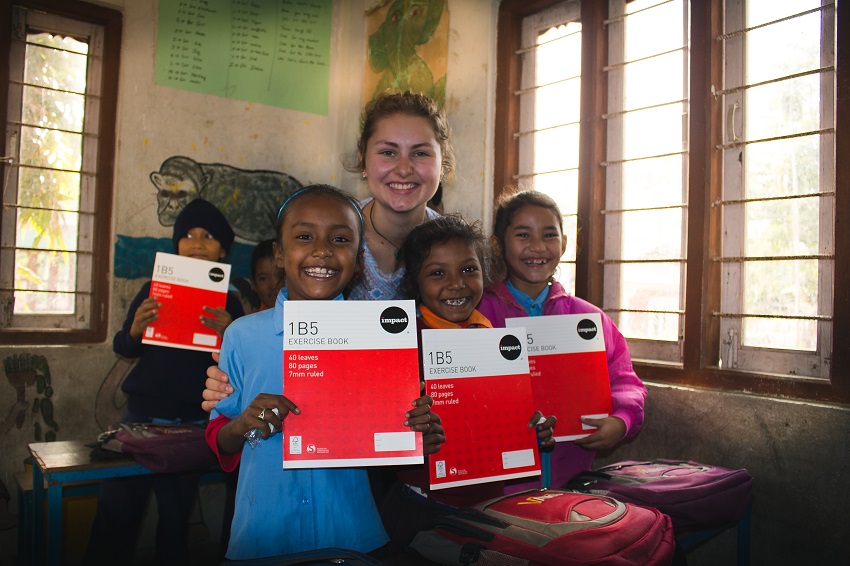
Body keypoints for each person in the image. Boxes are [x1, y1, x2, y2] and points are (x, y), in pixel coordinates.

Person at [205, 185, 444, 560]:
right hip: (262, 534)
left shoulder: (380, 339)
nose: (322, 250)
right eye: (304, 237)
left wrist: (416, 435)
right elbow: (219, 439)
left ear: (358, 258)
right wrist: (242, 424)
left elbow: (387, 447)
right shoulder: (242, 336)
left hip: (351, 533)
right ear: (280, 255)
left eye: (340, 239)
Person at [202, 90, 456, 409]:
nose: (404, 168)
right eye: (388, 152)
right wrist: (235, 376)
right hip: (334, 415)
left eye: (420, 153)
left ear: (442, 161)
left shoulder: (459, 247)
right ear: (363, 159)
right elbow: (283, 337)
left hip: (429, 422)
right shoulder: (330, 231)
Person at [376, 214, 556, 555]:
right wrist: (410, 440)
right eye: (438, 273)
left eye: (469, 269)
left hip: (487, 508)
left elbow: (499, 419)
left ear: (485, 275)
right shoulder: (402, 347)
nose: (457, 283)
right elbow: (379, 441)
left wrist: (533, 431)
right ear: (415, 283)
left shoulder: (494, 339)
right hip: (421, 510)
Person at [85, 198, 244, 565]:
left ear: (223, 249)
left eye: (208, 236)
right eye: (187, 235)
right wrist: (136, 330)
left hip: (191, 427)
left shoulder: (231, 304)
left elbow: (239, 367)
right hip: (140, 419)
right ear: (176, 245)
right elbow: (123, 346)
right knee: (116, 514)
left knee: (174, 524)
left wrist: (230, 332)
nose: (197, 243)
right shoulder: (153, 290)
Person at [477, 189, 647, 493]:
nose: (537, 246)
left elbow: (625, 382)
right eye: (523, 235)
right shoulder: (479, 315)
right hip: (498, 491)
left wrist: (620, 421)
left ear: (565, 244)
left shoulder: (589, 320)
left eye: (549, 235)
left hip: (571, 486)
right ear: (498, 244)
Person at [250, 238, 285, 311]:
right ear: (253, 284)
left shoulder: (309, 319)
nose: (273, 285)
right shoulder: (246, 322)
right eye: (263, 278)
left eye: (280, 276)